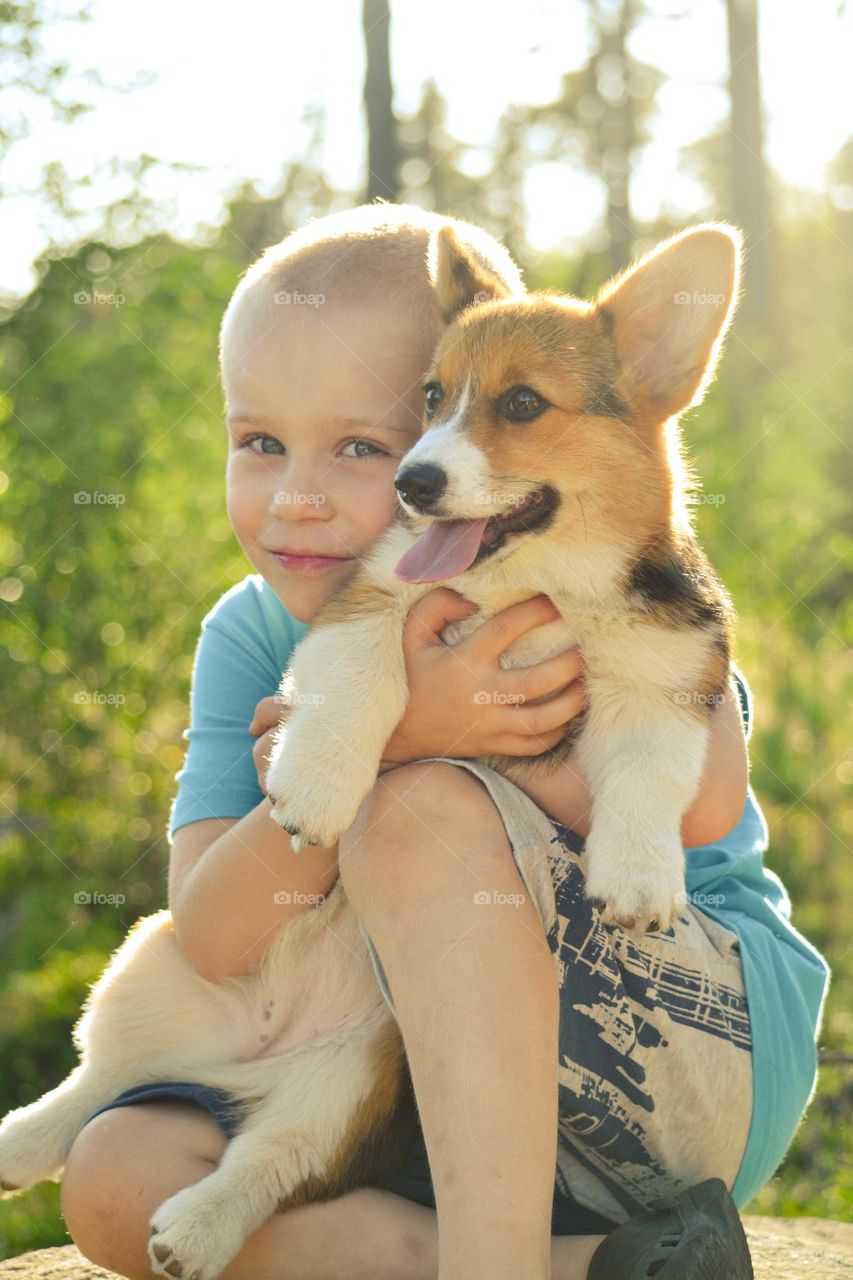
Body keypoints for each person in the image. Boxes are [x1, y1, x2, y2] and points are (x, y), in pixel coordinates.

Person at [59, 202, 830, 1280]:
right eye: (261, 442)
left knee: (413, 817)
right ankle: (598, 1265)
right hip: (405, 1080)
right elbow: (217, 937)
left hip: (683, 1059)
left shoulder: (598, 575)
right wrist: (383, 731)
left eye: (363, 447)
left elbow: (695, 809)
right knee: (115, 1180)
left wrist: (423, 751)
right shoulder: (253, 630)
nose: (300, 496)